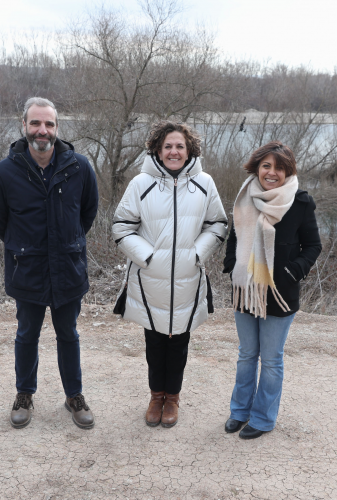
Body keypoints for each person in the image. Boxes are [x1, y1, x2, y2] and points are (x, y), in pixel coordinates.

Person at [0, 97, 99, 430]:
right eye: (35, 123)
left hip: (68, 268)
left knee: (69, 334)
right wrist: (23, 245)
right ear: (24, 126)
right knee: (26, 335)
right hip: (28, 269)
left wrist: (68, 242)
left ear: (57, 129)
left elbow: (87, 213)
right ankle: (24, 394)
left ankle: (74, 396)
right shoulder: (5, 172)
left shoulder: (79, 167)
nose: (42, 130)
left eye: (48, 124)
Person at [112, 121, 227, 428]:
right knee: (154, 343)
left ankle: (172, 399)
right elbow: (121, 227)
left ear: (189, 150)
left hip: (189, 278)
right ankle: (155, 397)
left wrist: (197, 253)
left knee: (179, 343)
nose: (174, 152)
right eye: (168, 146)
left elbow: (217, 224)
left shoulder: (204, 183)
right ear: (157, 150)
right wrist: (147, 256)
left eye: (180, 146)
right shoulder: (140, 184)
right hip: (150, 280)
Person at [222, 141, 322, 439]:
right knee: (246, 355)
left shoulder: (301, 201)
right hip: (245, 290)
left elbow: (313, 246)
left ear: (288, 171)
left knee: (272, 359)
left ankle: (263, 418)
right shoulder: (245, 197)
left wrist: (292, 272)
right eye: (266, 165)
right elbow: (235, 236)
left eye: (279, 167)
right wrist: (231, 265)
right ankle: (239, 412)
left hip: (280, 292)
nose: (272, 172)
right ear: (257, 167)